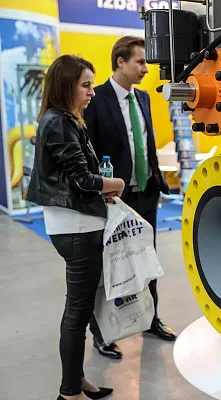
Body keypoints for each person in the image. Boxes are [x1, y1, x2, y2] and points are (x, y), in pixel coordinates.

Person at [26, 55, 125, 400]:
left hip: (76, 223)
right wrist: (115, 184)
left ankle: (77, 379)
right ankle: (69, 392)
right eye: (85, 85)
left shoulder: (62, 119)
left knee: (80, 312)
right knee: (77, 313)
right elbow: (83, 179)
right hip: (77, 228)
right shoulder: (59, 122)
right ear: (66, 86)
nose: (92, 92)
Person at [83, 36, 176, 360]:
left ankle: (150, 319)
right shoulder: (96, 100)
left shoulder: (144, 98)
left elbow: (146, 144)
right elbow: (90, 152)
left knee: (147, 260)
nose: (145, 69)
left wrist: (156, 181)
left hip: (145, 194)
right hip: (113, 201)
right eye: (140, 62)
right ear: (120, 62)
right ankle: (102, 332)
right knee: (108, 266)